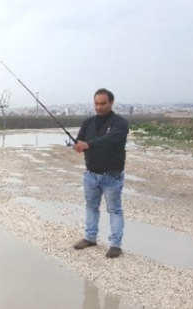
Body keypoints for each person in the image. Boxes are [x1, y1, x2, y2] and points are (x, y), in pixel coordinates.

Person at [72, 88, 129, 258]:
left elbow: (110, 140)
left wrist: (88, 145)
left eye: (103, 103)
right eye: (96, 103)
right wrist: (77, 146)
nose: (99, 107)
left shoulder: (120, 123)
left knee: (115, 210)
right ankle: (90, 238)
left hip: (112, 176)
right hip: (91, 175)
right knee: (91, 207)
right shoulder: (88, 122)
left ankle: (115, 245)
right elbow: (79, 141)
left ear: (111, 103)